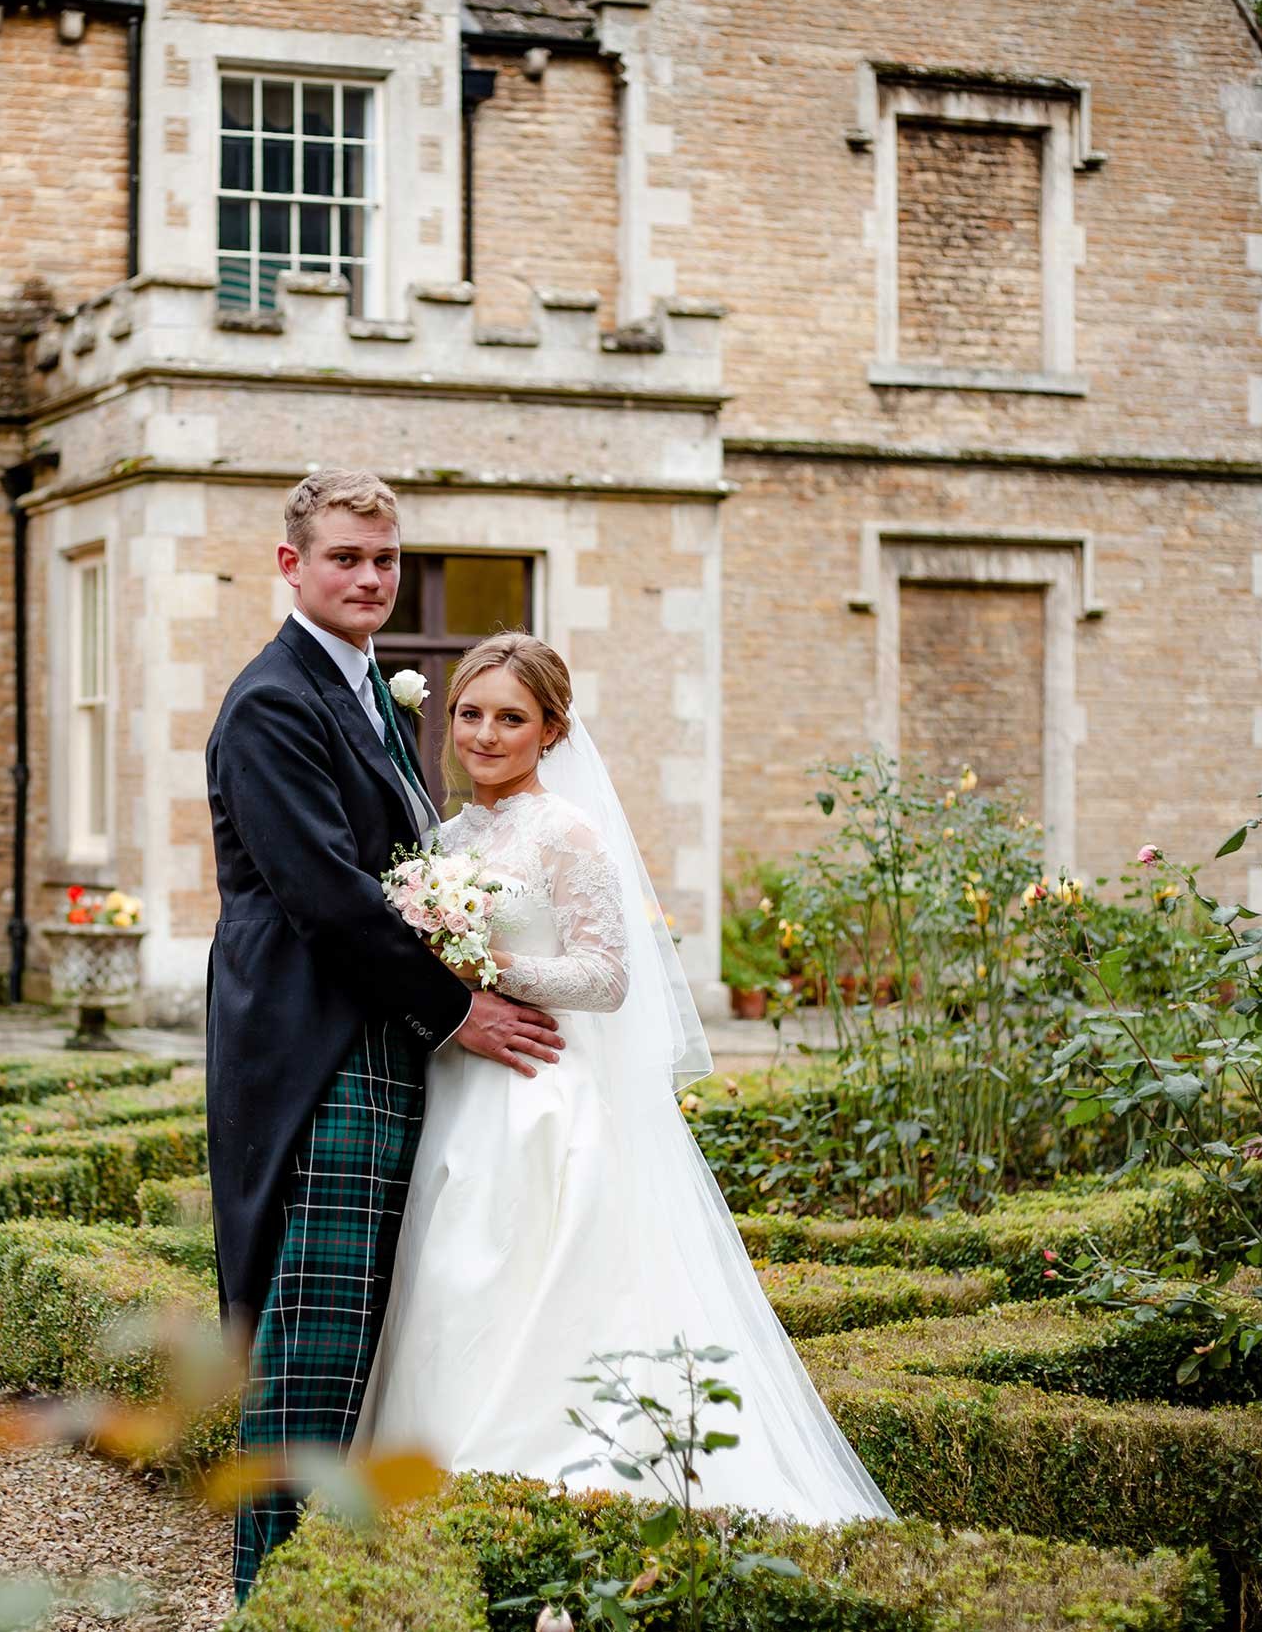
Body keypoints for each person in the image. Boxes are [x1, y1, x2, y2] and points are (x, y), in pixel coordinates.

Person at [361, 632, 895, 1524]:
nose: (485, 735)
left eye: (511, 718)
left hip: (539, 1099)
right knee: (446, 1284)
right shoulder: (444, 837)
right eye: (470, 713)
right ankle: (430, 1499)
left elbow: (608, 977)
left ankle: (537, 1488)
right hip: (458, 1092)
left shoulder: (568, 833)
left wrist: (486, 965)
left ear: (552, 730)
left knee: (515, 1285)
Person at [203, 470, 567, 1600]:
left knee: (361, 1323)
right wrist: (459, 1006)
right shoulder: (273, 700)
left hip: (371, 1028)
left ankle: (324, 1586)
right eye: (345, 557)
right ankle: (268, 1597)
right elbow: (324, 890)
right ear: (290, 565)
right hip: (316, 1043)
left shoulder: (372, 690)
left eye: (384, 558)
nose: (368, 577)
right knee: (311, 1336)